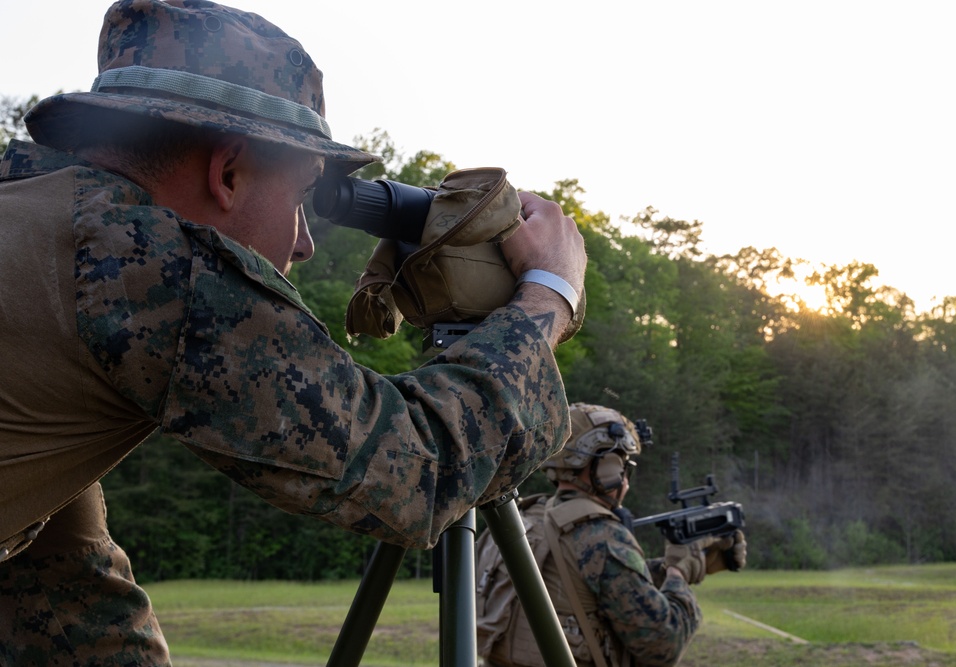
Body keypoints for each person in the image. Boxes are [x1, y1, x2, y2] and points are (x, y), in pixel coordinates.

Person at [0, 0, 587, 664]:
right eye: (302, 194)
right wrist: (550, 294)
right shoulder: (143, 263)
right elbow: (416, 474)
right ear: (228, 172)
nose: (305, 243)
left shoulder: (40, 225)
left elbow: (67, 593)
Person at [475, 403, 748, 667]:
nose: (625, 480)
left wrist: (666, 568)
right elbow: (663, 644)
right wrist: (678, 573)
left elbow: (590, 584)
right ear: (605, 466)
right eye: (621, 465)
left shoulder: (522, 519)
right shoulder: (599, 535)